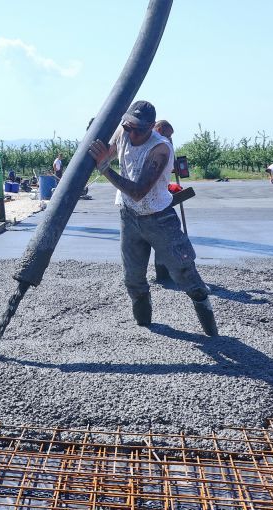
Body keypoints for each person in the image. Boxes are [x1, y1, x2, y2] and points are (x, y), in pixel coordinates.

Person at [87, 101, 218, 336]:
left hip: (160, 219)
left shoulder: (160, 149)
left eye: (138, 129)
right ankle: (145, 325)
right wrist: (94, 139)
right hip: (129, 216)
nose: (131, 133)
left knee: (185, 273)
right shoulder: (124, 131)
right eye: (128, 127)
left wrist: (105, 168)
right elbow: (105, 152)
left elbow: (138, 192)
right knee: (133, 277)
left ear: (151, 128)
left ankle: (210, 326)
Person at [151, 120, 175, 284]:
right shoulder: (163, 144)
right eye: (169, 135)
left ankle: (162, 275)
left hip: (154, 198)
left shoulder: (158, 143)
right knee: (164, 238)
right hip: (158, 199)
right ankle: (163, 275)